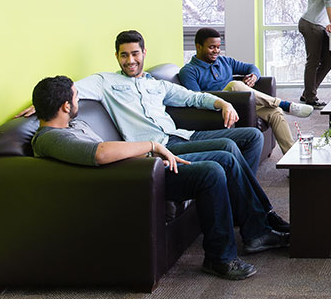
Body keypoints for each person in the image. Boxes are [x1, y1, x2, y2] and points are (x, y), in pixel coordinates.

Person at [17, 30, 291, 234]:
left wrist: (221, 102)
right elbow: (71, 91)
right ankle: (260, 215)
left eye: (135, 54)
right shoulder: (106, 82)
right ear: (117, 57)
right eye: (124, 55)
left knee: (251, 136)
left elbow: (191, 98)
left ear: (143, 53)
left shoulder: (155, 83)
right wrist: (40, 105)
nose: (130, 60)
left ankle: (247, 206)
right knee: (228, 151)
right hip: (157, 147)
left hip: (183, 136)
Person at [28, 76, 289, 280]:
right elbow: (100, 152)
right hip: (136, 180)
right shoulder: (52, 138)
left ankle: (255, 227)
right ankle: (220, 257)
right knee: (213, 170)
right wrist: (152, 146)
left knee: (221, 162)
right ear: (64, 106)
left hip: (141, 169)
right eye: (75, 99)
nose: (79, 103)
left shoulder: (68, 125)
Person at [179, 27, 313, 154]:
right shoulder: (189, 71)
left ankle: (292, 162)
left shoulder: (225, 61)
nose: (216, 51)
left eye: (218, 47)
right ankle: (283, 104)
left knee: (276, 113)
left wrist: (254, 76)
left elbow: (251, 67)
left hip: (242, 106)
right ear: (198, 46)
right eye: (211, 47)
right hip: (220, 111)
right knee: (234, 85)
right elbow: (197, 98)